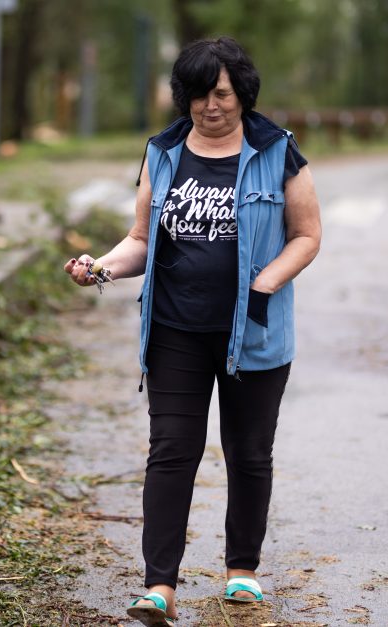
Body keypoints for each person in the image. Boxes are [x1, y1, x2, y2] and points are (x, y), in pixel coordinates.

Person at [64, 37, 321, 626]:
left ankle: (242, 572)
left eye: (223, 94)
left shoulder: (277, 151)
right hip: (175, 329)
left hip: (251, 333)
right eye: (200, 94)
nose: (212, 106)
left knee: (249, 453)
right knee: (171, 453)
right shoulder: (164, 152)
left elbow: (307, 234)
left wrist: (263, 284)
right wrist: (100, 267)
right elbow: (141, 239)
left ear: (242, 93)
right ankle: (160, 586)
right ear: (185, 97)